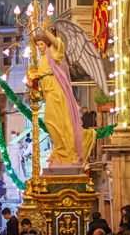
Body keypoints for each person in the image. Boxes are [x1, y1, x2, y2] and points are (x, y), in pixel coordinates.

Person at [32, 24, 97, 166]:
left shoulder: (53, 52)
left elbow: (57, 43)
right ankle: (59, 150)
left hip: (57, 91)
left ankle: (64, 151)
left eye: (42, 44)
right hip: (48, 93)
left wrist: (46, 32)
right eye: (38, 45)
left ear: (47, 43)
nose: (40, 47)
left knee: (52, 120)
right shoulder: (43, 58)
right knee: (52, 122)